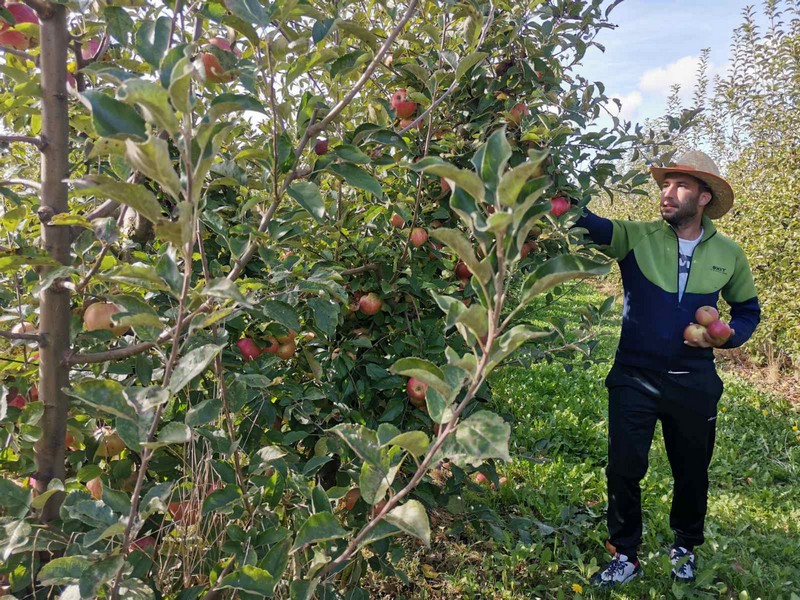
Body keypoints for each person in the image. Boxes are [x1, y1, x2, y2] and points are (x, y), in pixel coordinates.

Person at [573, 151, 761, 586]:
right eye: (665, 184)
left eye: (680, 185)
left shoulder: (729, 254)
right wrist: (550, 181)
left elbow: (748, 311)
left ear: (704, 196)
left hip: (694, 382)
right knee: (623, 468)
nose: (667, 193)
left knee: (692, 471)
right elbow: (587, 223)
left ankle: (684, 547)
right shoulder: (635, 237)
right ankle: (625, 554)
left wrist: (726, 336)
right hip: (633, 377)